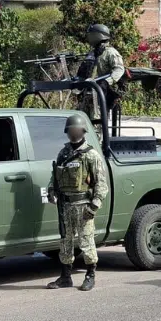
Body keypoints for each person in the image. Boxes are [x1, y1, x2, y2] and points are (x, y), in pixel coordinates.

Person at [46, 114, 109, 291]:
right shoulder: (63, 153)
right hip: (65, 206)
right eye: (70, 130)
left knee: (86, 240)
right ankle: (65, 276)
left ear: (82, 131)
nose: (73, 133)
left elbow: (101, 184)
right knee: (65, 241)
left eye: (76, 129)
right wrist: (51, 191)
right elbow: (55, 177)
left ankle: (90, 275)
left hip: (83, 206)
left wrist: (94, 206)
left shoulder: (91, 155)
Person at [78, 24, 126, 123]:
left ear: (98, 35)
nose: (88, 37)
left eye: (91, 34)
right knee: (81, 122)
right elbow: (84, 70)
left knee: (97, 123)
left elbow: (119, 69)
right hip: (87, 94)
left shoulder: (111, 52)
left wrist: (107, 82)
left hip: (100, 94)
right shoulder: (92, 53)